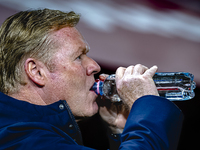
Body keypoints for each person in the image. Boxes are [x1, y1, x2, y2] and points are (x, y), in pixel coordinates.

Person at [0, 8, 183, 150]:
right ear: (37, 72)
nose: (95, 66)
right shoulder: (21, 140)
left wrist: (121, 131)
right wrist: (147, 106)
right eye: (79, 57)